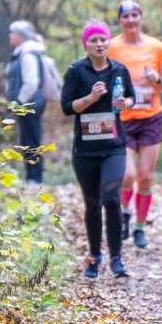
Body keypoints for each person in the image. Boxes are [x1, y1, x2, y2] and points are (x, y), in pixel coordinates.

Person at [61, 21, 136, 278]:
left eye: (103, 39)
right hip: (85, 150)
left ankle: (117, 259)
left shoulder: (119, 70)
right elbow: (67, 107)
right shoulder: (75, 71)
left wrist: (124, 102)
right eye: (94, 40)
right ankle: (94, 256)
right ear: (86, 44)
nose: (100, 44)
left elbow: (131, 98)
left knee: (111, 199)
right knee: (92, 203)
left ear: (109, 42)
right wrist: (91, 98)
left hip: (114, 146)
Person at [108, 0, 162, 248]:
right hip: (122, 119)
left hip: (150, 118)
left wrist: (156, 78)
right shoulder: (111, 47)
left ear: (141, 18)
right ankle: (125, 213)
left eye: (135, 15)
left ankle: (139, 228)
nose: (131, 20)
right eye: (125, 16)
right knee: (127, 176)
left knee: (144, 177)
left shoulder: (156, 46)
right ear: (119, 21)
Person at [5, 20, 47, 189]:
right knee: (27, 141)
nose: (10, 36)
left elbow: (31, 82)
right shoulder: (21, 52)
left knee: (32, 141)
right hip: (26, 106)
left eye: (12, 32)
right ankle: (31, 178)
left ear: (21, 35)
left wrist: (20, 102)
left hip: (30, 105)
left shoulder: (27, 54)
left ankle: (35, 180)